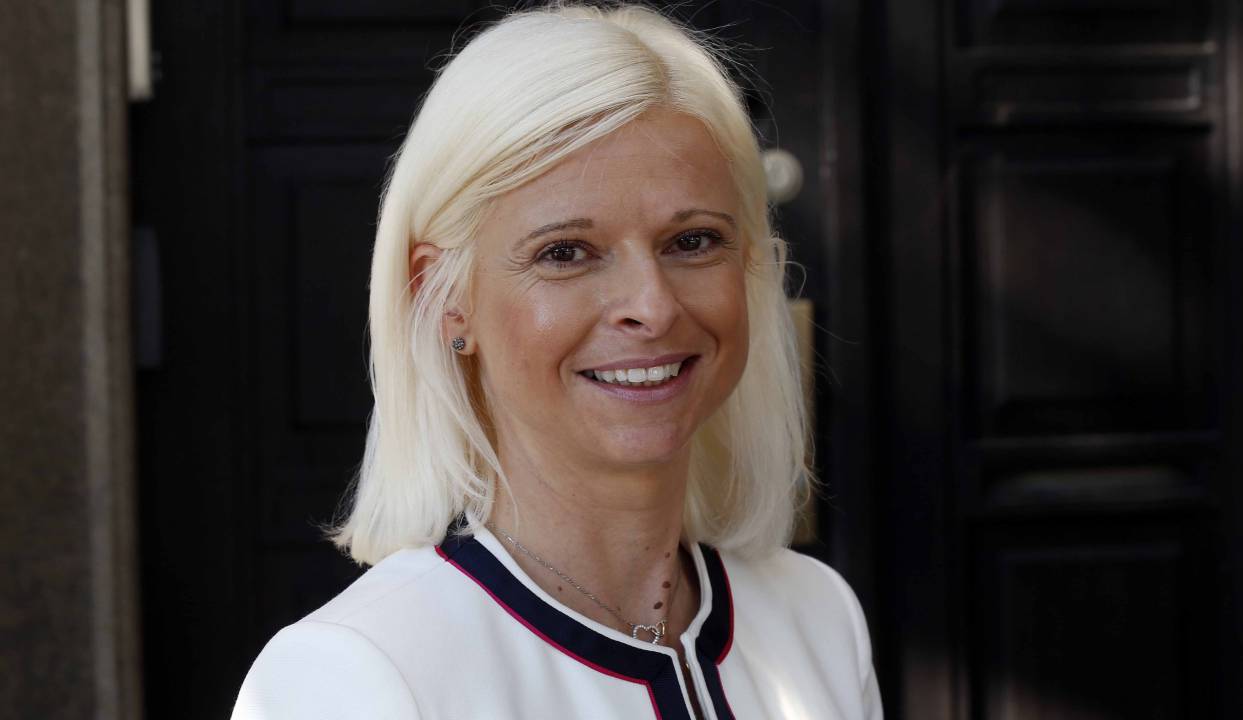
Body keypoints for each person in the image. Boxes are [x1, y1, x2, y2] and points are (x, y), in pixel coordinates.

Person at [230, 3, 881, 718]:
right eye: (565, 252)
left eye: (692, 241)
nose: (653, 306)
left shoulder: (817, 619)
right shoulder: (359, 674)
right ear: (444, 297)